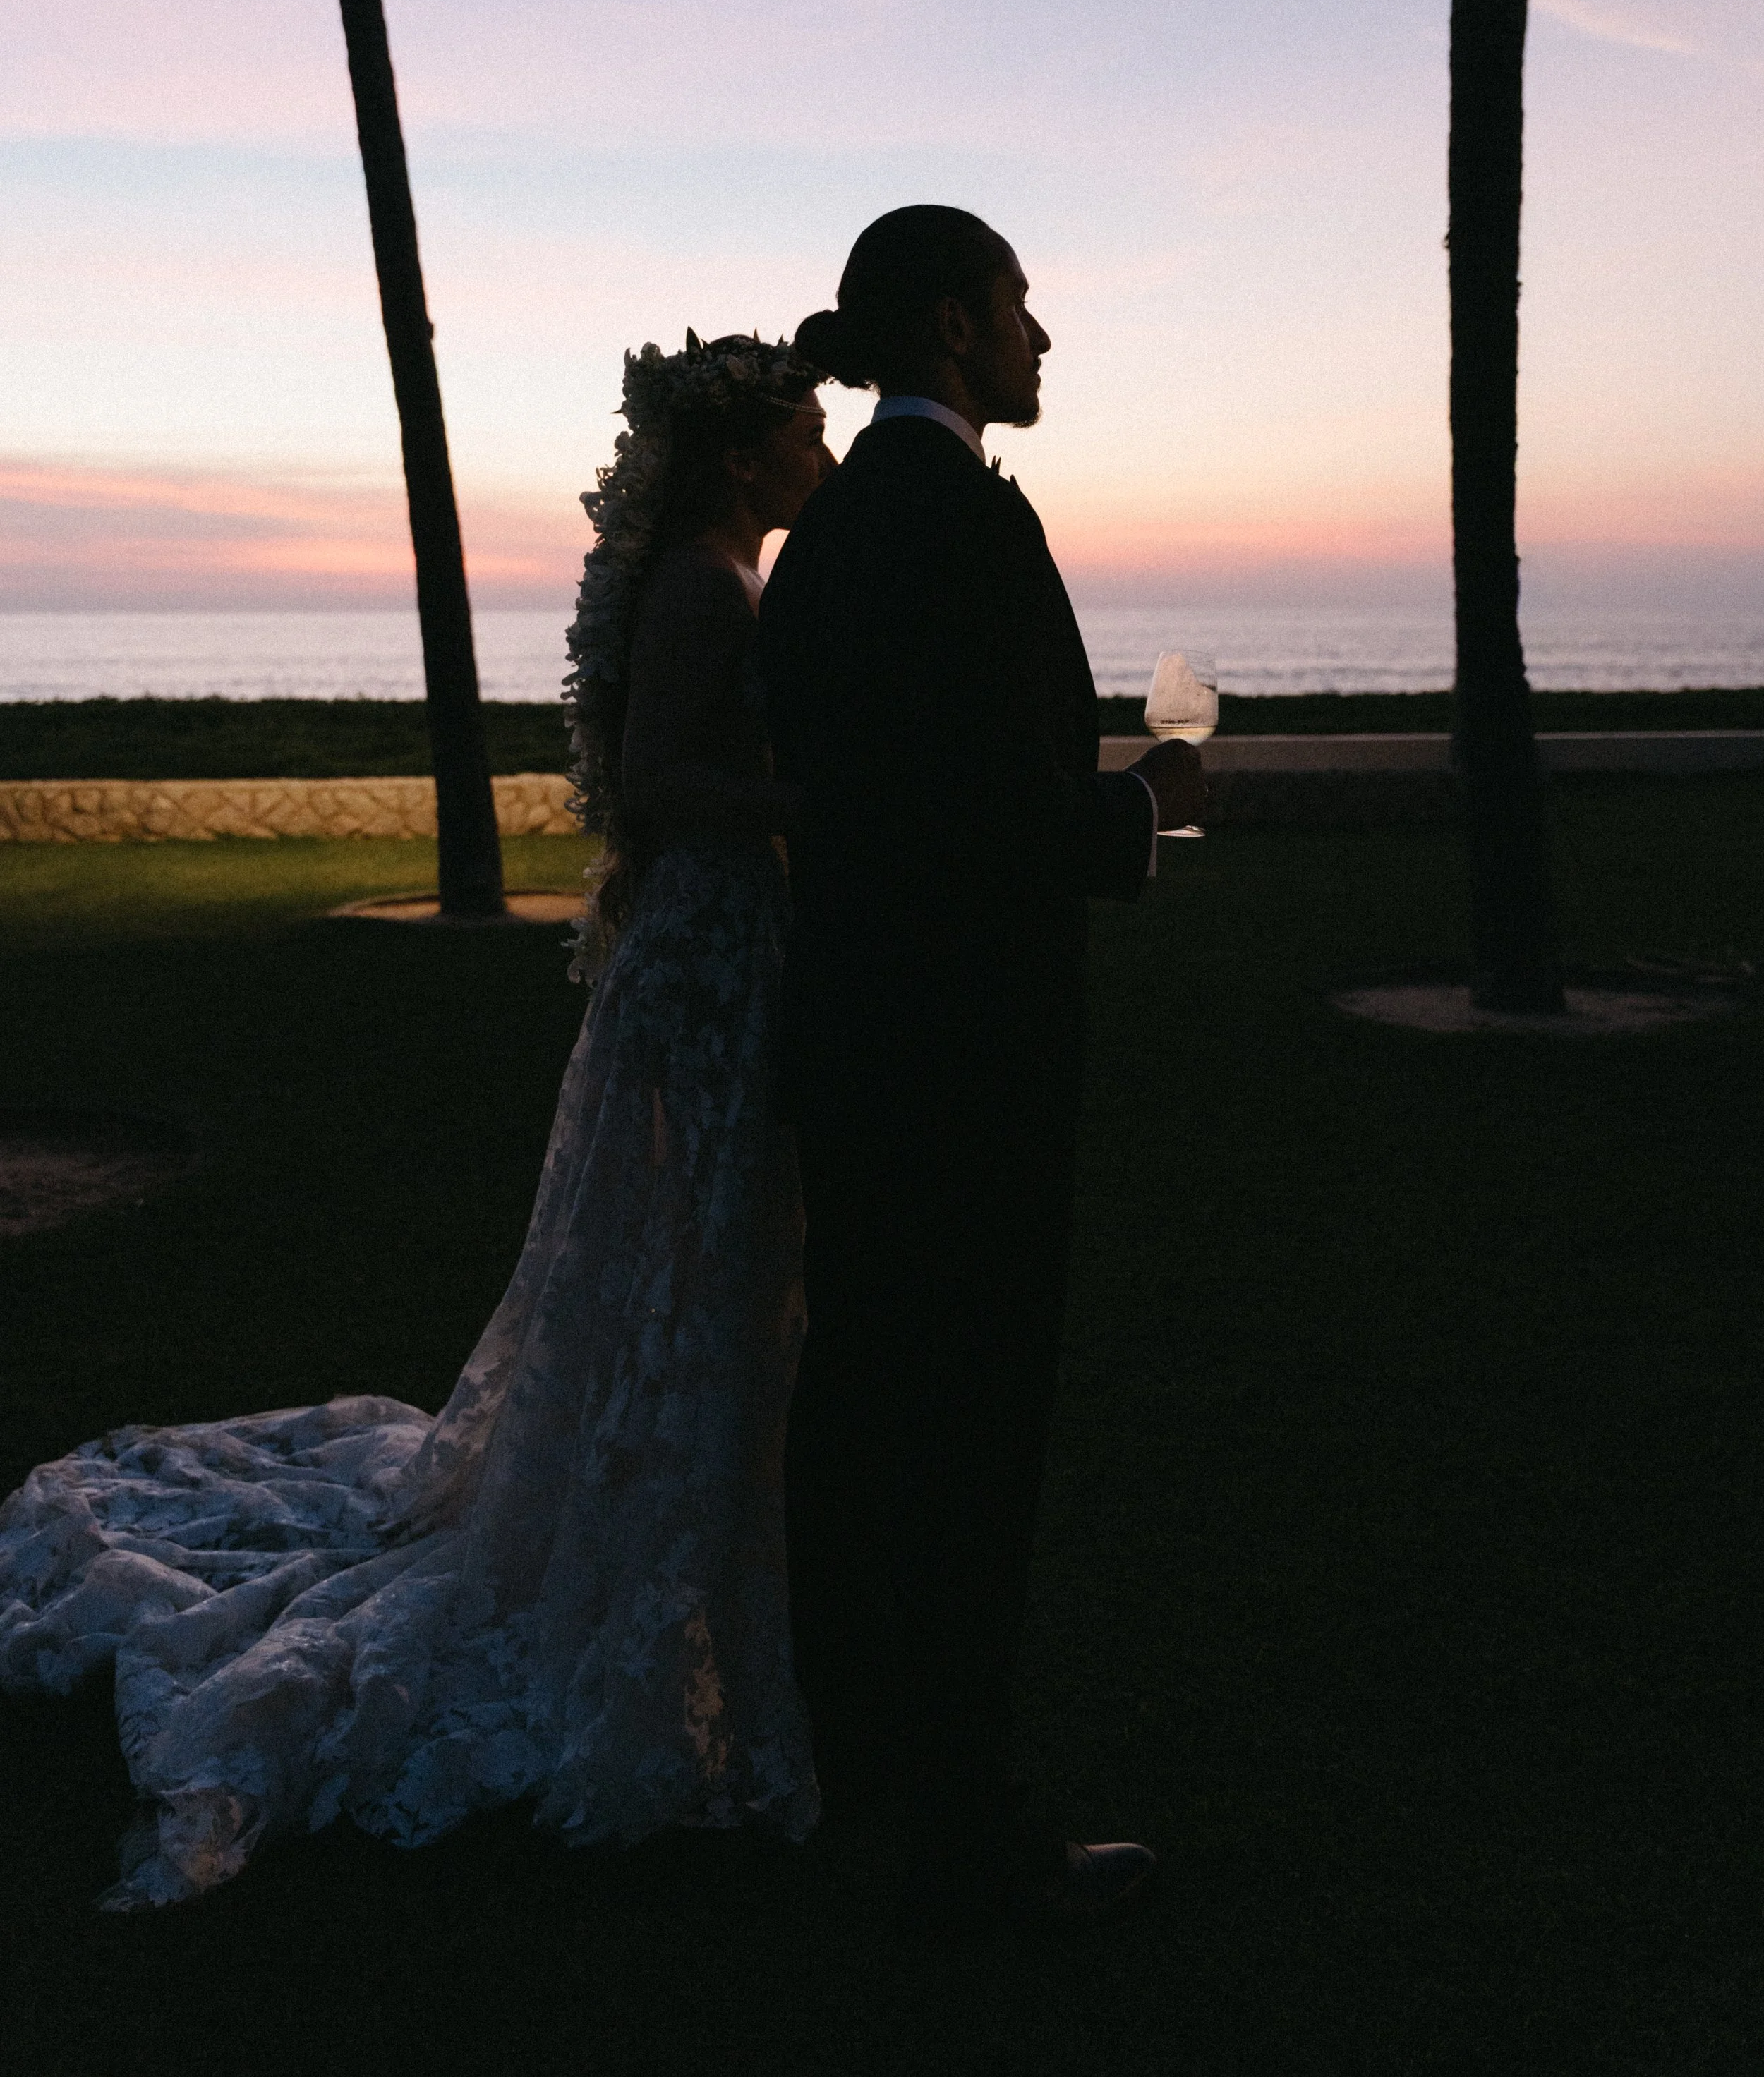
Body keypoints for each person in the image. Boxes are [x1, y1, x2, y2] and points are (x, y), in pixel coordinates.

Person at [0, 332, 833, 1909]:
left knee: (685, 1257)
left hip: (715, 949)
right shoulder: (709, 589)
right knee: (686, 1254)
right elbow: (657, 779)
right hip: (708, 952)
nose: (821, 447)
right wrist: (826, 805)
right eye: (803, 425)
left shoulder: (718, 575)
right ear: (741, 457)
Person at [759, 206, 1204, 1934]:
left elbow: (859, 798)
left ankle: (851, 1770)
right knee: (965, 1437)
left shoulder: (829, 534)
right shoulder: (955, 523)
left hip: (862, 1046)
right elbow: (979, 819)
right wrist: (1142, 806)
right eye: (1022, 306)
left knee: (864, 1413)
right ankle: (968, 1837)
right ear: (951, 328)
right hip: (969, 1060)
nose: (1042, 338)